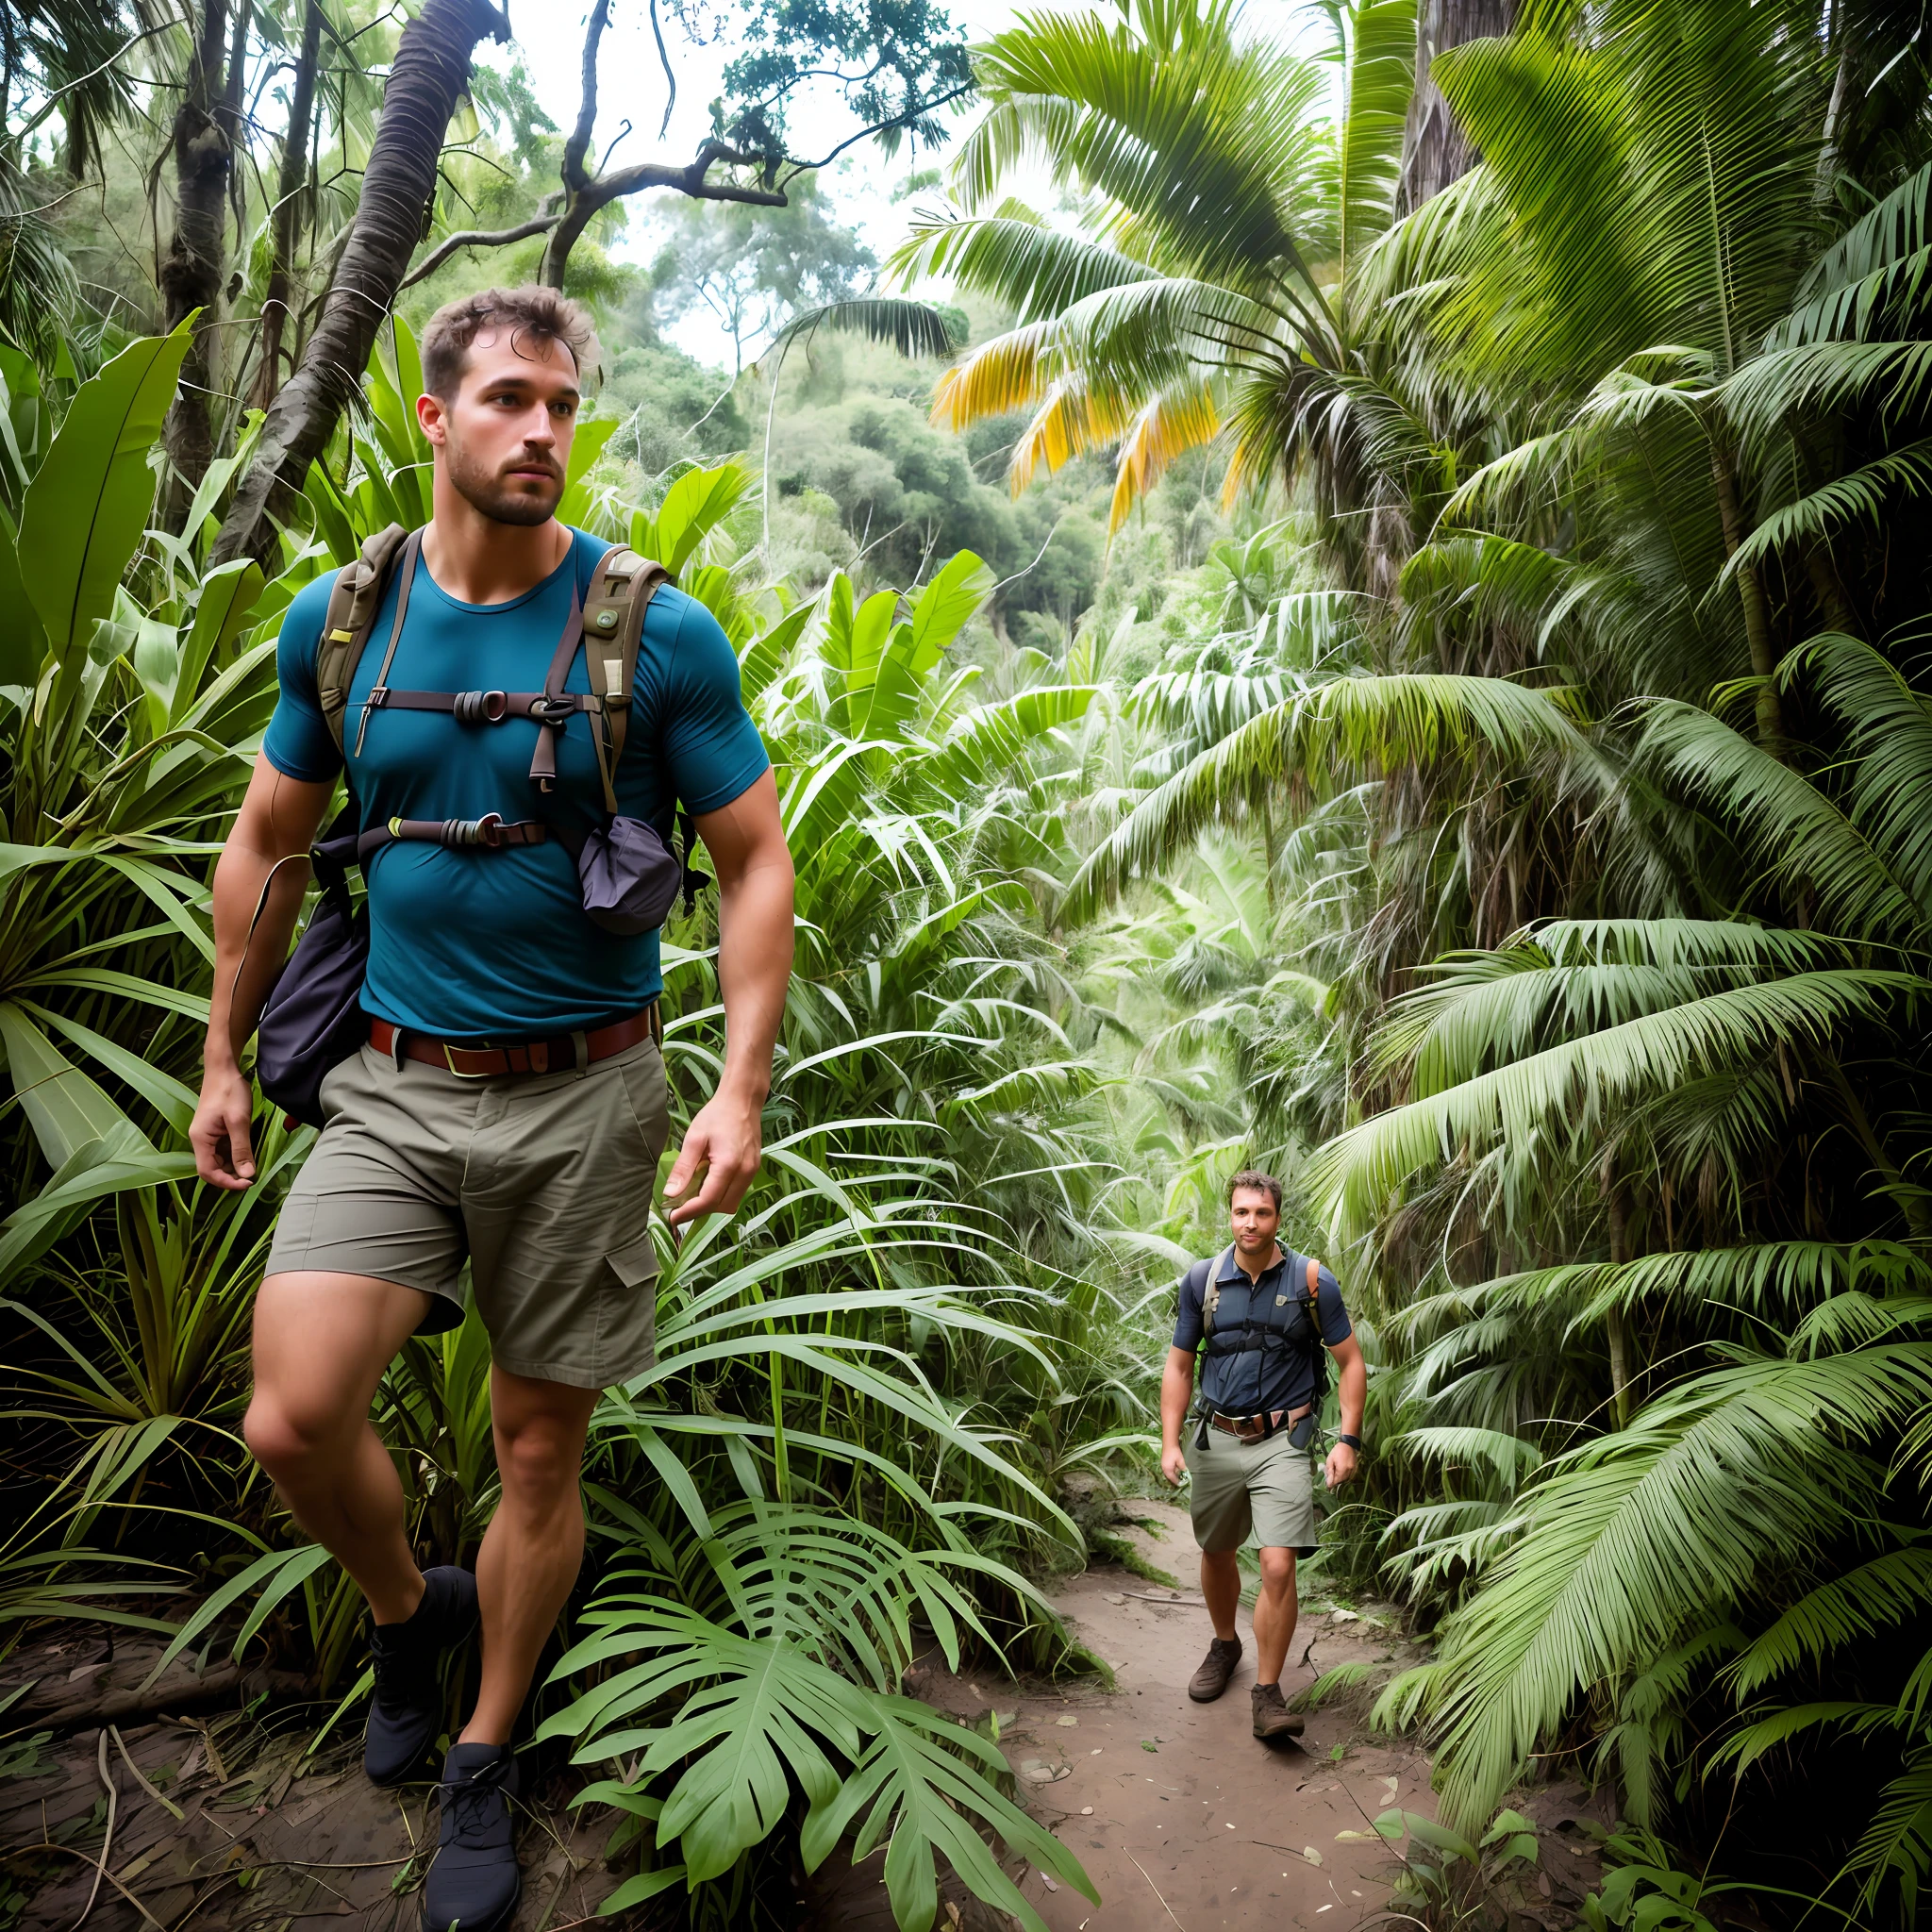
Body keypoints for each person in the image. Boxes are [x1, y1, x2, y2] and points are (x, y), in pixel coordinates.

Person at [190, 286, 794, 1932]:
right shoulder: (351, 617)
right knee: (292, 1414)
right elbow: (262, 841)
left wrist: (737, 1086)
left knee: (539, 1447)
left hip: (585, 1096)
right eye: (510, 399)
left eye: (563, 406)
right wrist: (226, 1054)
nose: (541, 429)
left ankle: (481, 1743)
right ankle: (406, 1607)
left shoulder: (652, 632)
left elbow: (752, 862)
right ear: (436, 418)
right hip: (391, 1084)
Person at [1158, 1171, 1367, 1743]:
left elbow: (1351, 1363)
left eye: (1262, 1213)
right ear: (1230, 1216)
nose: (1250, 1223)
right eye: (1240, 1212)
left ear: (1279, 1218)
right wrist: (1169, 1440)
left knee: (1278, 1563)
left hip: (1284, 1441)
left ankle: (1268, 1693)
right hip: (1217, 1438)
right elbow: (1179, 1366)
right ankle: (1225, 1645)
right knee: (1217, 1550)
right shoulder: (1202, 1282)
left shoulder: (1312, 1282)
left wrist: (1347, 1440)